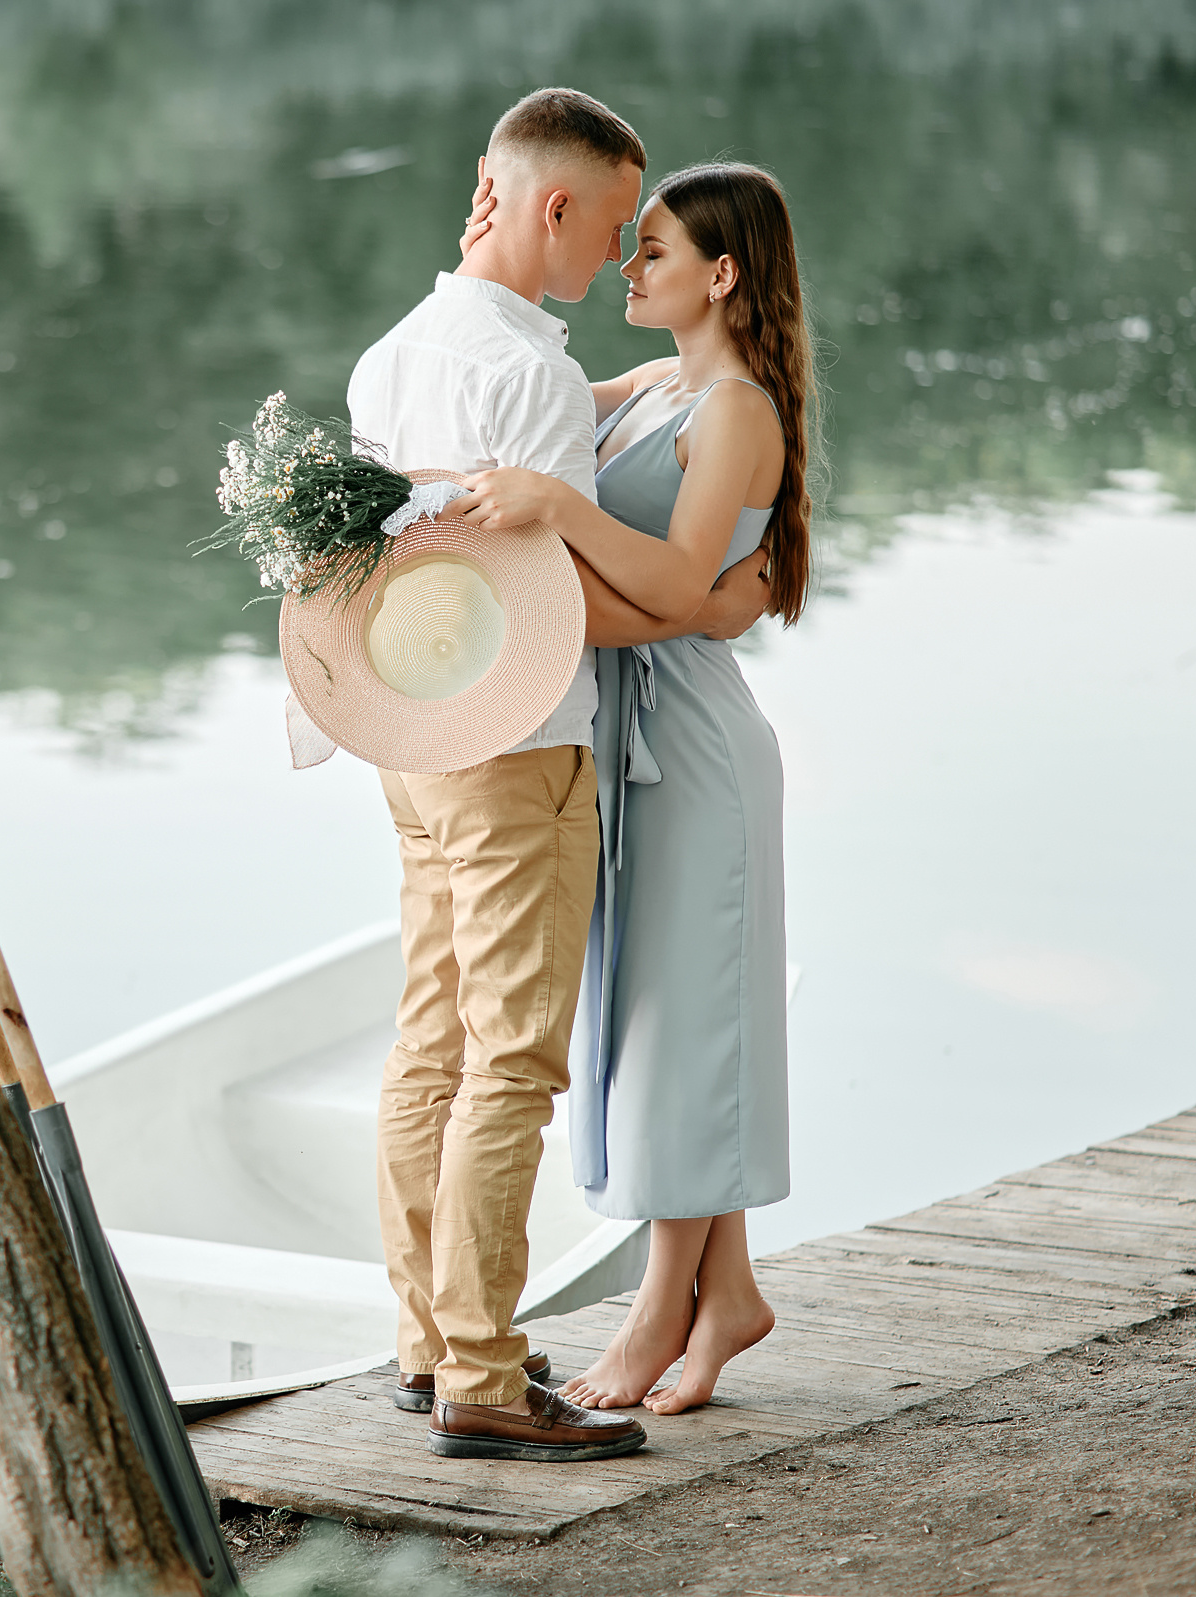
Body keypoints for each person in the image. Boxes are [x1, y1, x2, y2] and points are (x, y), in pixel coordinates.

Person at [345, 89, 771, 1462]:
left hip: (415, 738)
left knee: (431, 1043)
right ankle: (479, 1373)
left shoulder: (394, 354)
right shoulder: (528, 376)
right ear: (552, 208)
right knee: (514, 1061)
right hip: (520, 744)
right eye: (606, 232)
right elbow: (546, 595)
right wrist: (702, 607)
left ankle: (429, 1342)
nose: (606, 266)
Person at [449, 161, 814, 1414]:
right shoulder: (662, 383)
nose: (627, 265)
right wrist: (480, 270)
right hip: (632, 734)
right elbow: (518, 406)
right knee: (665, 1017)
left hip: (696, 752)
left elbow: (665, 586)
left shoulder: (741, 413)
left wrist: (557, 514)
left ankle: (665, 1313)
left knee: (678, 1026)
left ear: (719, 273)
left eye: (650, 249)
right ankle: (731, 1300)